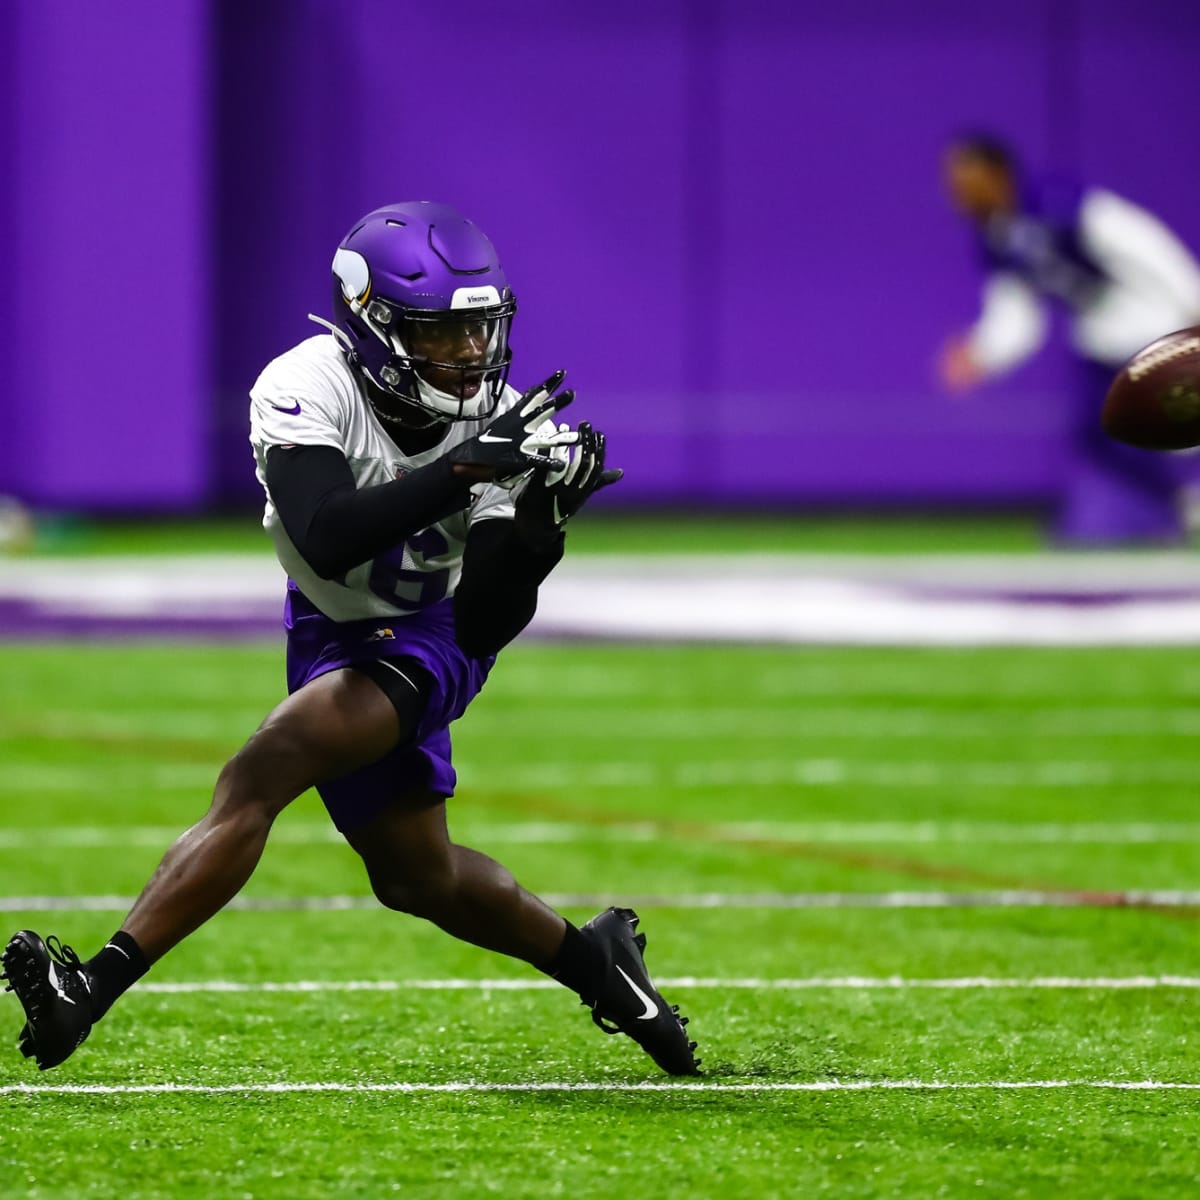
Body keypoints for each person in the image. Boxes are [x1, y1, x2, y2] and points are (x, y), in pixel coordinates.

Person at [2, 201, 700, 1077]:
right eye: (440, 335)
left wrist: (537, 531)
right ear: (371, 323)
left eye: (479, 331)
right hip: (328, 623)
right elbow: (328, 532)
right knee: (419, 879)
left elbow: (486, 621)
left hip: (434, 635)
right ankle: (601, 964)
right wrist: (464, 468)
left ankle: (90, 989)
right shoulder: (307, 384)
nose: (470, 356)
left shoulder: (505, 424)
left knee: (265, 768)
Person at [939, 133, 1200, 544]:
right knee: (1097, 433)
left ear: (995, 173)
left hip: (1149, 318)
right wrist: (981, 354)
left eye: (963, 176)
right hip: (1099, 333)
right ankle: (1164, 514)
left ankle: (1181, 500)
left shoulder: (1057, 202)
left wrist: (1192, 296)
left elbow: (1141, 242)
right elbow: (1018, 316)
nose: (955, 188)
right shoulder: (996, 238)